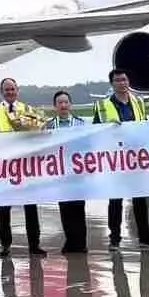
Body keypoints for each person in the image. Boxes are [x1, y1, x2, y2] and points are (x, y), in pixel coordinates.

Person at [94, 69, 149, 250]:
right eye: (117, 80)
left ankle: (145, 238)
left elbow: (142, 124)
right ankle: (115, 239)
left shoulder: (138, 102)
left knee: (140, 200)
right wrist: (108, 128)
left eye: (124, 80)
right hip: (115, 157)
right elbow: (94, 130)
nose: (122, 83)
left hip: (135, 157)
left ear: (128, 81)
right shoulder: (102, 105)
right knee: (115, 200)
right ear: (112, 84)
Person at [0, 77, 47, 256]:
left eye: (12, 89)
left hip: (25, 166)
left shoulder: (27, 109)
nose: (10, 92)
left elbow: (39, 132)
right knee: (4, 208)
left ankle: (34, 245)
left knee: (30, 207)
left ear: (17, 90)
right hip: (4, 167)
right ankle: (5, 244)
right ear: (1, 92)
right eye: (6, 90)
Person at [44, 91, 89, 253]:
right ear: (55, 106)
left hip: (77, 173)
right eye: (59, 103)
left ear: (70, 104)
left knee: (78, 208)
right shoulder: (49, 125)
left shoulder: (81, 124)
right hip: (59, 173)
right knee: (65, 209)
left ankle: (81, 243)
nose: (63, 105)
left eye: (65, 102)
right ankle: (70, 242)